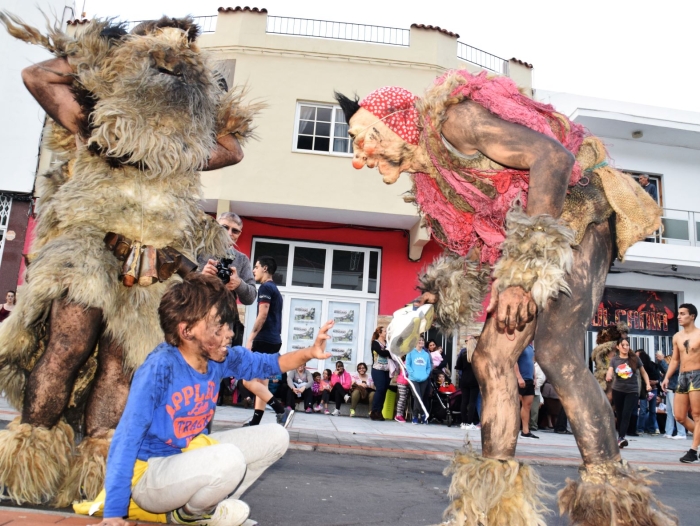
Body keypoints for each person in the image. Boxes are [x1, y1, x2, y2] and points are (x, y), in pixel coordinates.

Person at [335, 69, 666, 524]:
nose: (360, 156)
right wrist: (437, 295)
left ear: (392, 124)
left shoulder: (456, 122)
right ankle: (495, 509)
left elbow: (552, 157)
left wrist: (522, 279)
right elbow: (475, 249)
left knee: (556, 350)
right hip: (538, 233)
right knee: (489, 357)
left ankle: (612, 500)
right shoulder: (432, 183)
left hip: (577, 211)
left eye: (361, 139)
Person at [88, 273, 333, 526]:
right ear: (186, 330)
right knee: (229, 459)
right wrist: (114, 513)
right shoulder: (160, 368)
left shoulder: (220, 358)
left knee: (276, 437)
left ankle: (205, 509)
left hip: (188, 456)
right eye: (219, 327)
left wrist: (309, 353)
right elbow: (127, 437)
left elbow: (268, 363)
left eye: (229, 324)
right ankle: (190, 516)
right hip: (150, 476)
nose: (229, 334)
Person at [243, 256, 291, 427]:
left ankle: (281, 410)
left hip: (264, 340)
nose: (253, 270)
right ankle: (256, 422)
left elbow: (262, 314)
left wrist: (250, 339)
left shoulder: (265, 288)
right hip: (273, 341)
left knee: (247, 380)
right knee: (262, 382)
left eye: (256, 267)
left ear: (264, 268)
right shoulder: (275, 289)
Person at [661, 303, 700, 463]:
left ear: (692, 316)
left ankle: (693, 450)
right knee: (679, 416)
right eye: (678, 313)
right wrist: (666, 377)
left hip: (697, 375)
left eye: (683, 313)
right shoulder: (677, 336)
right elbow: (675, 359)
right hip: (682, 377)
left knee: (697, 415)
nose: (679, 316)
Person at [607, 337, 651, 449]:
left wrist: (648, 384)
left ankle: (621, 437)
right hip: (618, 390)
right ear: (618, 347)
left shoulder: (635, 359)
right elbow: (610, 370)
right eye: (623, 345)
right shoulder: (615, 360)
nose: (626, 347)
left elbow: (644, 373)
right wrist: (608, 375)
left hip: (632, 391)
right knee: (620, 414)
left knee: (627, 414)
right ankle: (619, 437)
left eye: (627, 345)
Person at [406, 337, 432, 425]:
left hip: (424, 379)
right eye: (419, 340)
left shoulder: (426, 354)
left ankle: (418, 415)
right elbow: (407, 365)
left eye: (422, 340)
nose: (421, 342)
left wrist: (427, 374)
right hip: (413, 379)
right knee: (417, 397)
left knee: (421, 397)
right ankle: (419, 415)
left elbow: (429, 366)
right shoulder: (410, 352)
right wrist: (412, 373)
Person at [515, 343, 538, 439]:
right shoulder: (519, 345)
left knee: (527, 405)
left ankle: (525, 431)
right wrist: (519, 377)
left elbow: (531, 363)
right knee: (515, 405)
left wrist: (535, 377)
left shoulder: (530, 346)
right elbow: (514, 362)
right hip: (520, 379)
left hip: (529, 379)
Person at [455, 340, 479, 431]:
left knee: (464, 401)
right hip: (474, 380)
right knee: (472, 402)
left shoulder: (463, 354)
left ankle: (464, 422)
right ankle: (470, 422)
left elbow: (458, 367)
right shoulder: (478, 355)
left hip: (464, 380)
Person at [661, 354, 686, 440]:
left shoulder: (680, 361)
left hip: (676, 389)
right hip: (669, 388)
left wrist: (662, 361)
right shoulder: (673, 360)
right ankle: (668, 432)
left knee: (677, 411)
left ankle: (682, 433)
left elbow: (669, 371)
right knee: (669, 411)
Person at [636, 350, 660, 435]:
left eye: (637, 356)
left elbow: (658, 377)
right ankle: (640, 429)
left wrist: (655, 382)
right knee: (643, 410)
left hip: (653, 389)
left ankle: (651, 429)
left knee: (652, 410)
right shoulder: (636, 367)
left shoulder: (652, 365)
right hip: (643, 389)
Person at [370, 326, 391, 421]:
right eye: (385, 331)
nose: (386, 333)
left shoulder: (388, 343)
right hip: (377, 369)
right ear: (380, 333)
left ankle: (379, 411)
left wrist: (388, 352)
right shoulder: (375, 343)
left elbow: (391, 353)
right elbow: (381, 352)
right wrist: (388, 352)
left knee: (384, 390)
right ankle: (374, 411)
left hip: (387, 370)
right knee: (380, 389)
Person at [530, 361, 546, 432]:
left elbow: (541, 379)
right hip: (524, 390)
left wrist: (533, 386)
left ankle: (533, 425)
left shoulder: (538, 366)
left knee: (534, 410)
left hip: (534, 391)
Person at [394, 357, 409, 423]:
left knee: (404, 398)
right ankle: (398, 415)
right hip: (402, 381)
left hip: (407, 382)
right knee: (402, 398)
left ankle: (401, 414)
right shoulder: (406, 362)